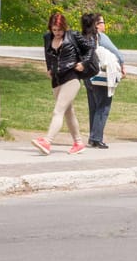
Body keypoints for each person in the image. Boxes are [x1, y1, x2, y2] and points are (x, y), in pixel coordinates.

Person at [33, 11, 96, 156]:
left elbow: (90, 47)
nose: (57, 33)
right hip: (56, 79)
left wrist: (83, 63)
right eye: (54, 29)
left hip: (71, 77)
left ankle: (47, 141)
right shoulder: (47, 37)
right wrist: (49, 68)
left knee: (58, 111)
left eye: (60, 30)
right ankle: (79, 143)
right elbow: (47, 53)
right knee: (68, 113)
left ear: (64, 27)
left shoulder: (72, 35)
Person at [85, 13, 126, 149]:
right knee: (103, 106)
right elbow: (117, 53)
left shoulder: (85, 37)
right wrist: (122, 65)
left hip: (88, 76)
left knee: (93, 107)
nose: (104, 24)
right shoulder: (100, 37)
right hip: (100, 76)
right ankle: (97, 138)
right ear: (96, 25)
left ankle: (92, 137)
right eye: (102, 22)